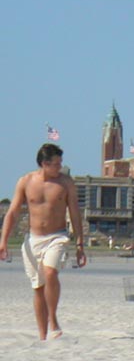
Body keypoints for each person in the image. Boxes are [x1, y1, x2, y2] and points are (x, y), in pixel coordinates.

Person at [0, 143, 86, 341]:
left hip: (58, 236)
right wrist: (3, 241)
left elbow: (74, 213)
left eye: (61, 163)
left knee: (50, 272)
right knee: (38, 288)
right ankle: (42, 335)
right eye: (56, 164)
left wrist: (80, 244)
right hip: (33, 239)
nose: (60, 167)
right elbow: (12, 212)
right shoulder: (26, 181)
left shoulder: (66, 183)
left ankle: (53, 320)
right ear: (44, 164)